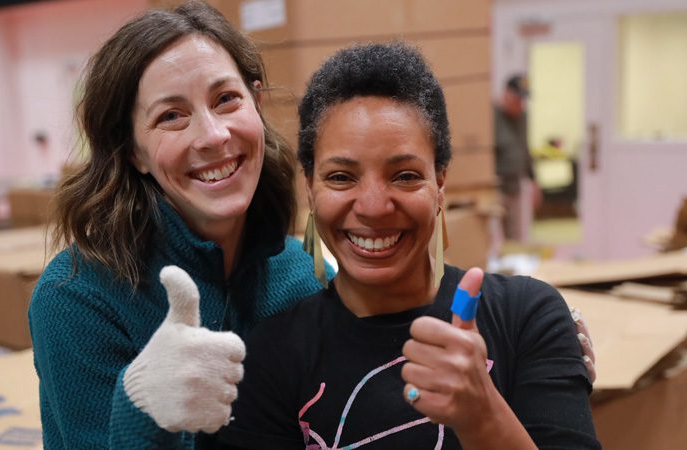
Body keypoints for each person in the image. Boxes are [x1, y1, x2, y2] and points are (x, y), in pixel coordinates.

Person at [217, 43, 600, 449]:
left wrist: (482, 414)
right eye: (341, 177)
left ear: (440, 184)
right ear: (311, 189)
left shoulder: (527, 318)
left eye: (404, 176)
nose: (373, 207)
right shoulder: (273, 354)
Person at [27, 2, 331, 448]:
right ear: (133, 152)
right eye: (171, 116)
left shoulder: (301, 273)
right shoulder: (76, 298)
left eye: (226, 99)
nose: (213, 136)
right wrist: (144, 411)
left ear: (257, 103)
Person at [494, 74, 540, 242]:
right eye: (518, 99)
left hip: (515, 186)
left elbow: (524, 148)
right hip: (495, 186)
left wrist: (533, 180)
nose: (521, 104)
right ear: (506, 94)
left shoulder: (523, 117)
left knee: (515, 237)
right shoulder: (491, 115)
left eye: (523, 100)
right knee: (492, 238)